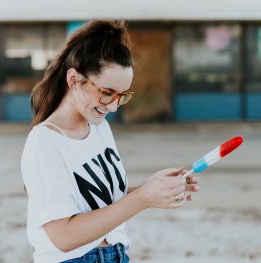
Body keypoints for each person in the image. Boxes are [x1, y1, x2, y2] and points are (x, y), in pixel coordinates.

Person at [21, 19, 199, 263]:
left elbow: (98, 200)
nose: (114, 106)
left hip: (116, 254)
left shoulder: (99, 127)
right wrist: (141, 199)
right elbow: (62, 236)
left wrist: (155, 189)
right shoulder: (44, 142)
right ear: (74, 80)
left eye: (122, 96)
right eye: (107, 93)